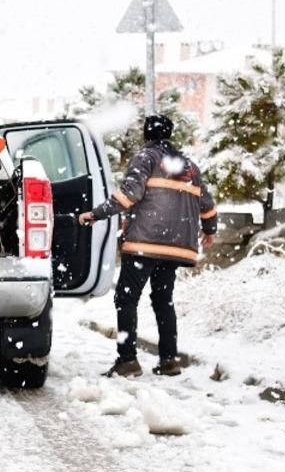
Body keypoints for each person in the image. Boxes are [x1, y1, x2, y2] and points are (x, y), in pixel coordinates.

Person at [78, 114, 217, 377]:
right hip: (176, 247)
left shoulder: (146, 157)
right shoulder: (189, 166)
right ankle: (169, 360)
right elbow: (207, 204)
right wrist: (210, 229)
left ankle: (128, 360)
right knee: (163, 299)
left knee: (126, 298)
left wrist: (95, 214)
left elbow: (129, 195)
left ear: (147, 134)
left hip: (145, 241)